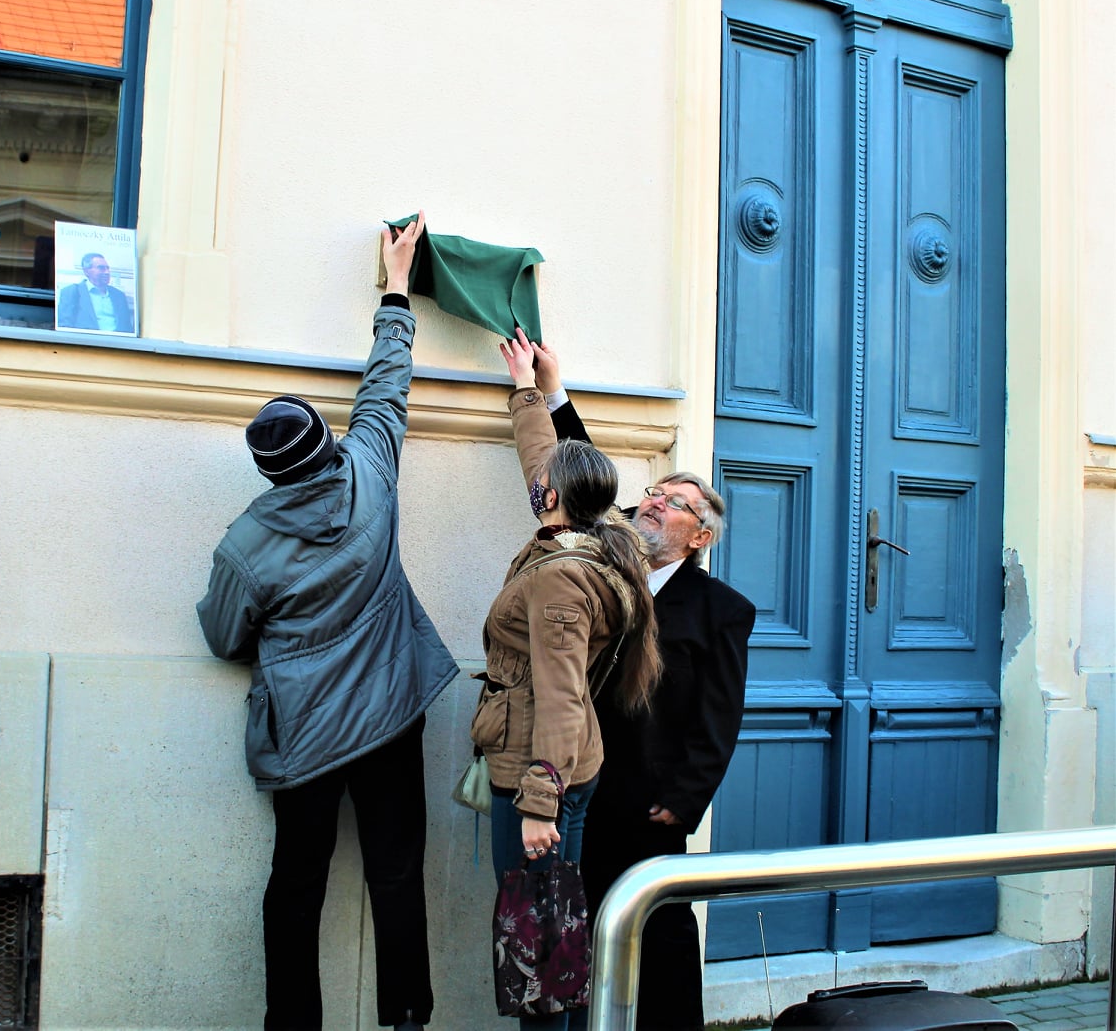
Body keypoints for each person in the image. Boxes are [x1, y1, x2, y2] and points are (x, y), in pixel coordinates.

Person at [196, 212, 457, 1031]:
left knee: (296, 881)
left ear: (268, 470)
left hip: (304, 735)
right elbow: (386, 386)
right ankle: (406, 1018)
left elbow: (223, 637)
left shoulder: (246, 545)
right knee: (397, 872)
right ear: (325, 444)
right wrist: (395, 286)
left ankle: (291, 1024)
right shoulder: (370, 469)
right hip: (391, 718)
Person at [535, 342, 755, 1031]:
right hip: (581, 785)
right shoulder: (612, 564)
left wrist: (684, 801)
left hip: (646, 804)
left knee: (660, 938)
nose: (655, 502)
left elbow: (720, 716)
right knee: (572, 933)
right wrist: (551, 392)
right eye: (654, 493)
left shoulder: (722, 609)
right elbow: (583, 470)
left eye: (676, 501)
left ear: (700, 536)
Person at [477, 330, 663, 1031]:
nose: (536, 483)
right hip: (562, 763)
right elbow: (541, 459)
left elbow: (559, 697)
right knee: (549, 934)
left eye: (543, 484)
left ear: (552, 496)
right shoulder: (599, 536)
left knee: (540, 950)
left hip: (541, 769)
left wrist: (538, 804)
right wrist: (531, 390)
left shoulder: (561, 579)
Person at [56, 251, 134, 332]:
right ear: (86, 271)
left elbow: (127, 327)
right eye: (101, 268)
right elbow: (64, 325)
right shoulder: (72, 292)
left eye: (107, 268)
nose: (107, 272)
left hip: (116, 339)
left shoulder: (119, 295)